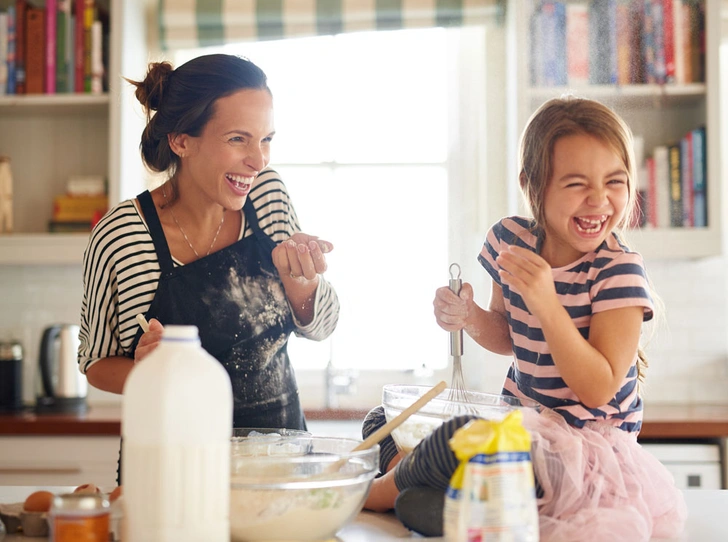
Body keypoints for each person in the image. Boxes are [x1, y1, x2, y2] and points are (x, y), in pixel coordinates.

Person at [361, 97, 686, 542]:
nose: (599, 200)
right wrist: (469, 317)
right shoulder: (510, 241)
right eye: (576, 184)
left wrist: (547, 302)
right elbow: (509, 336)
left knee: (459, 435)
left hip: (582, 457)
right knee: (384, 419)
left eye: (615, 181)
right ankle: (421, 486)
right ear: (532, 184)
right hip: (520, 432)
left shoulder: (618, 271)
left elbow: (597, 388)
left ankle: (379, 491)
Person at [78, 54, 340, 479]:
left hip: (277, 469)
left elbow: (323, 326)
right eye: (238, 139)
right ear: (182, 140)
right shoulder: (124, 235)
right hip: (171, 471)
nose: (259, 160)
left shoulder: (267, 197)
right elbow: (97, 363)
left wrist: (302, 283)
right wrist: (150, 373)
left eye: (266, 139)